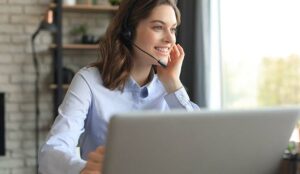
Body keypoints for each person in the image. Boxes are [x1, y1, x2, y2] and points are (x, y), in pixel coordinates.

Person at [38, 0, 199, 173]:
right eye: (158, 27)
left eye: (173, 29)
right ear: (128, 32)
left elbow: (200, 141)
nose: (170, 39)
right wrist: (84, 169)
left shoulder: (169, 86)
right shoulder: (89, 81)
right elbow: (51, 152)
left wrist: (173, 84)